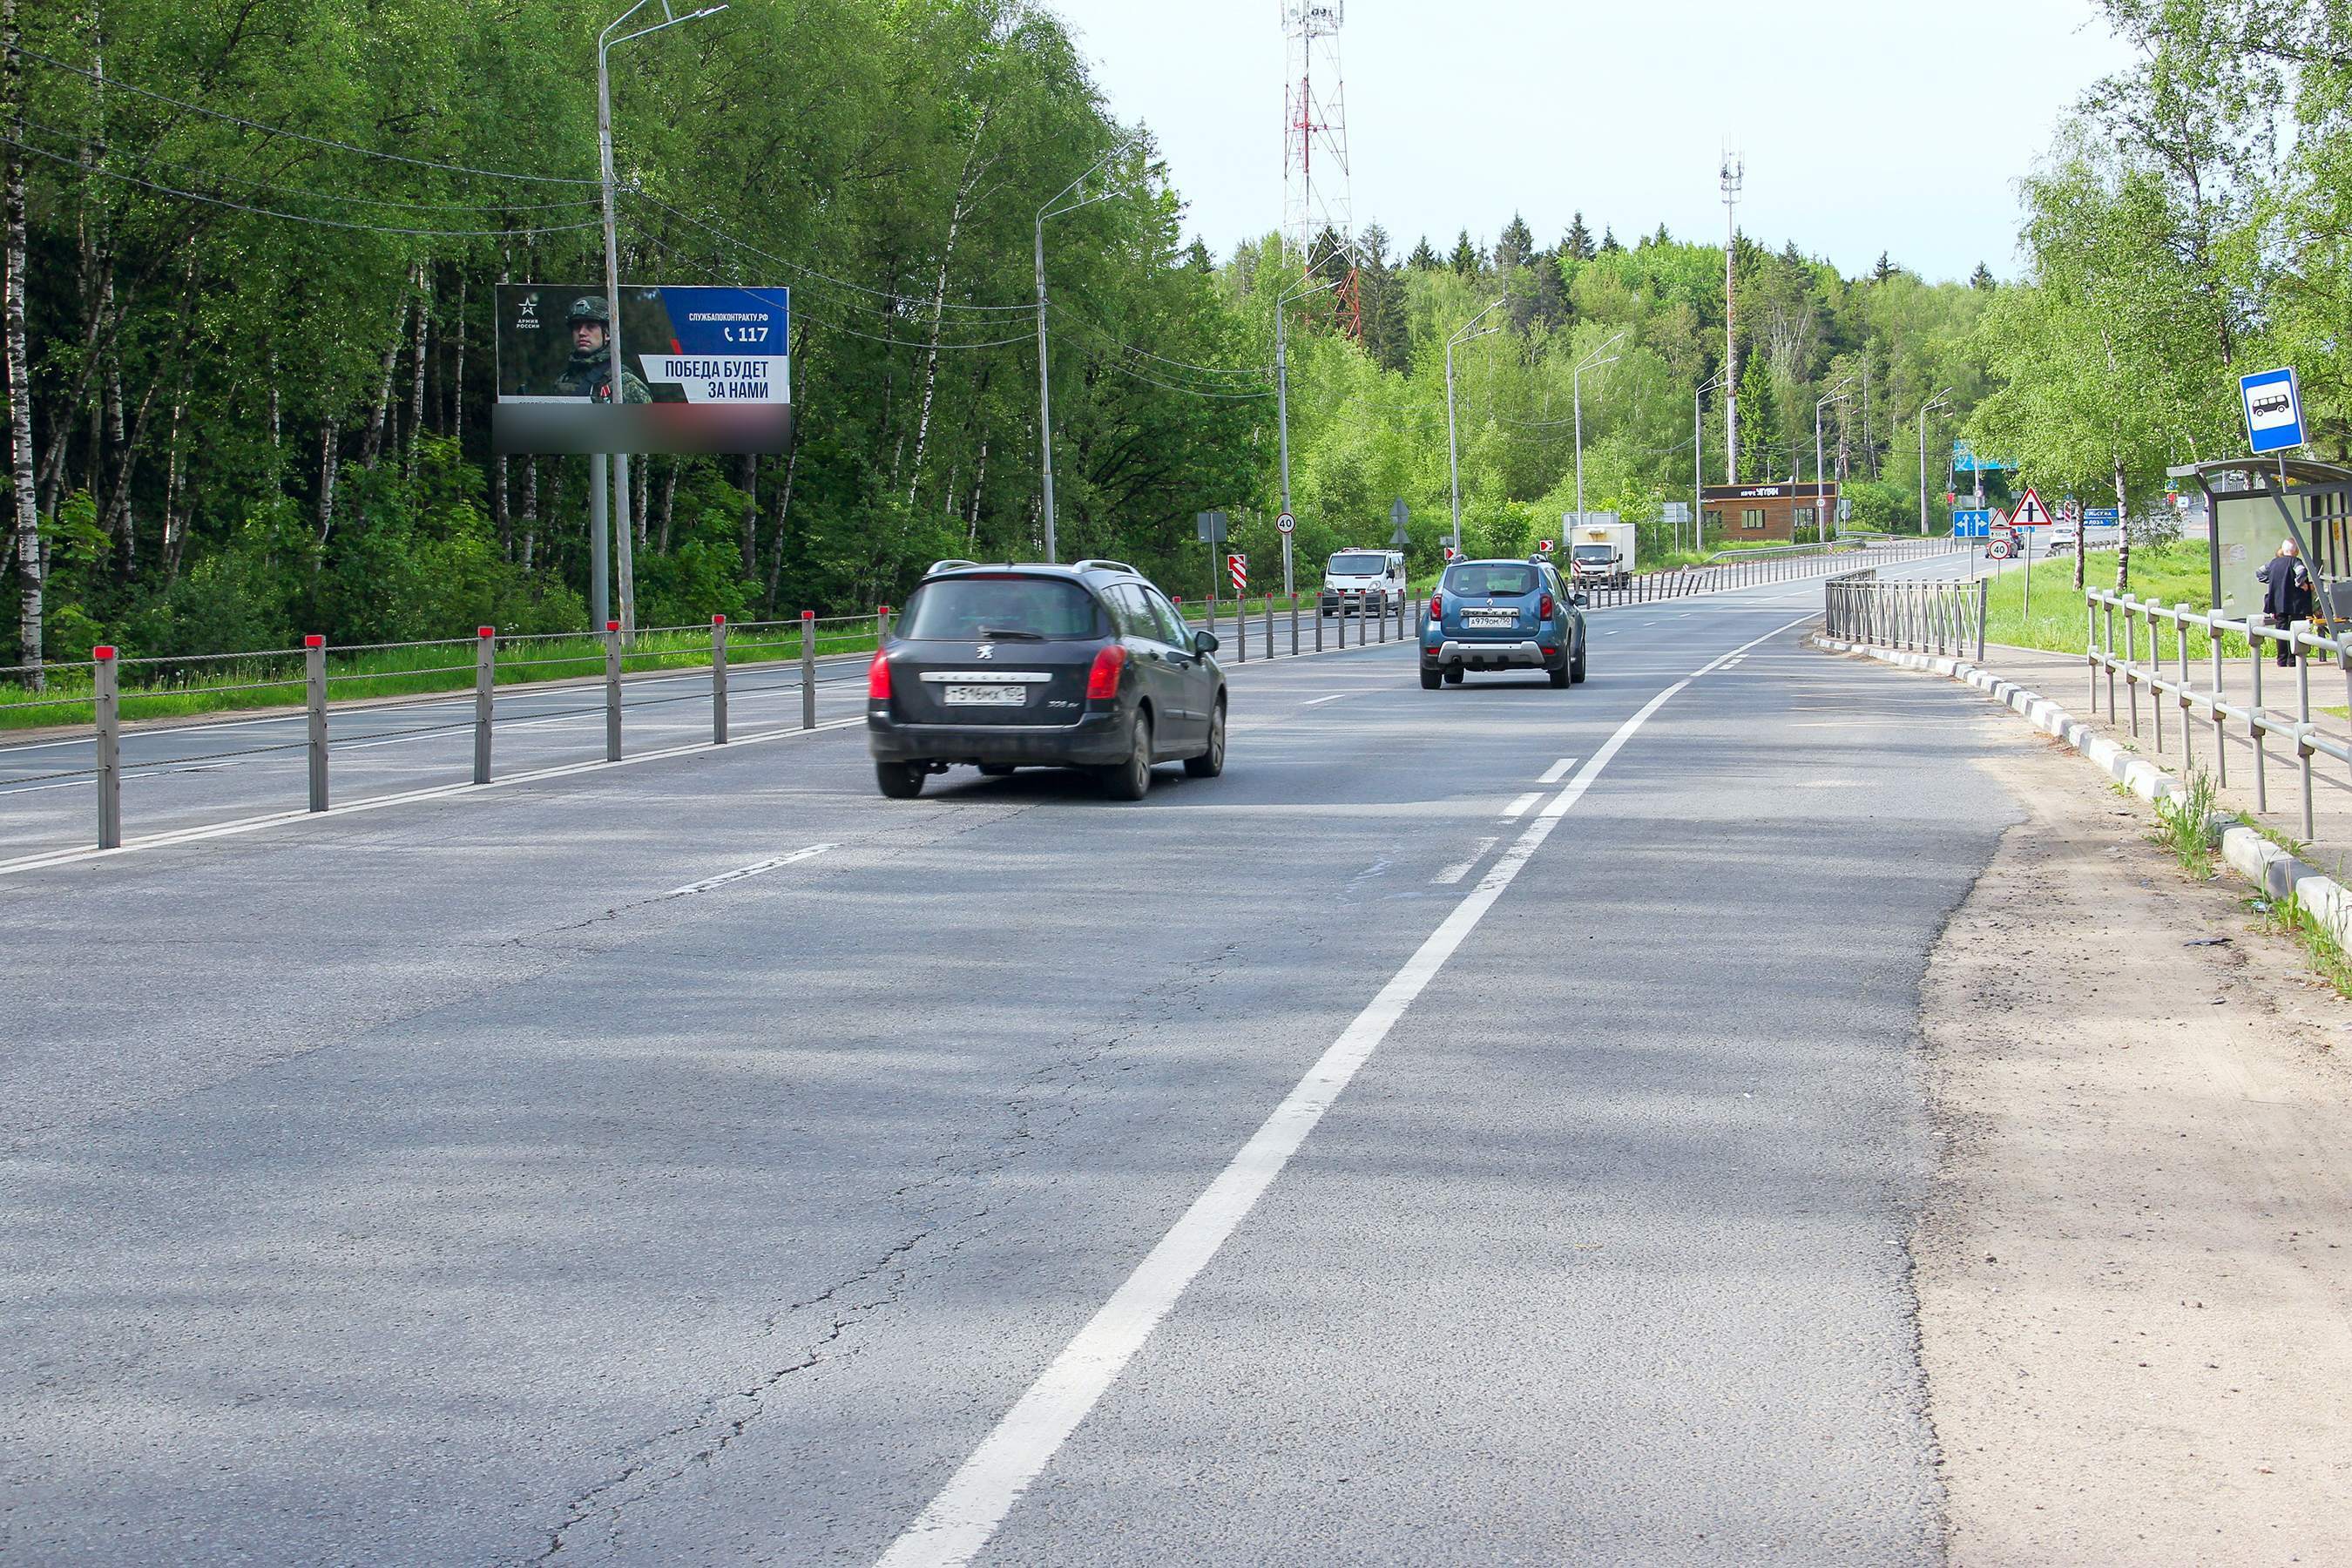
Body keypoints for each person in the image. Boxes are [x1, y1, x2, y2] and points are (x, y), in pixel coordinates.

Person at [551, 296, 651, 403]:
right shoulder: (564, 380)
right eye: (577, 327)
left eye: (590, 327)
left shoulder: (623, 385)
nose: (581, 333)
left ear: (608, 334)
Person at [2256, 537, 2315, 667]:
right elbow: (2301, 572)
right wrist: (2300, 584)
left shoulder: (2273, 563)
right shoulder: (2295, 561)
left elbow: (2259, 573)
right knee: (2297, 628)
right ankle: (2294, 659)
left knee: (2281, 629)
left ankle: (2281, 660)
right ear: (2295, 551)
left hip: (2278, 602)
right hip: (2295, 603)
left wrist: (2271, 580)